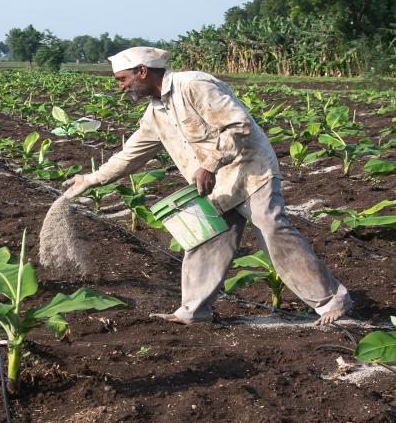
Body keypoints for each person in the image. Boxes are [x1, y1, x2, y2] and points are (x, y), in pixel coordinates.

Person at [62, 46, 352, 326]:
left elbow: (237, 125)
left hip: (250, 169)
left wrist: (210, 164)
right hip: (213, 183)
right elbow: (131, 155)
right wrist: (91, 179)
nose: (120, 87)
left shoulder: (194, 85)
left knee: (271, 227)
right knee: (205, 239)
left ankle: (331, 300)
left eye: (122, 80)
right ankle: (194, 312)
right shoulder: (155, 114)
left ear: (142, 71)